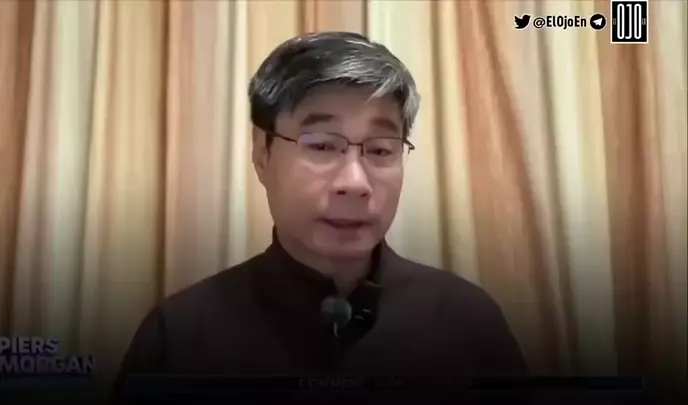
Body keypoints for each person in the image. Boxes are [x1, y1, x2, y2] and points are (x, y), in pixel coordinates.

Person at [113, 31, 527, 402]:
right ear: (262, 152)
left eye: (381, 149)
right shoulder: (179, 335)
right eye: (322, 145)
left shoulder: (468, 320)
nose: (355, 183)